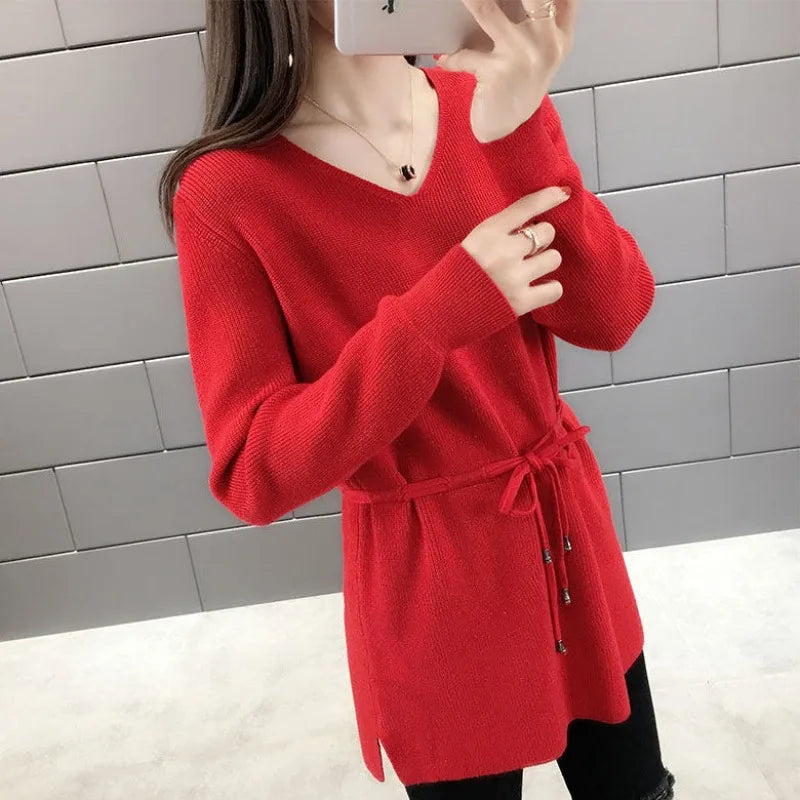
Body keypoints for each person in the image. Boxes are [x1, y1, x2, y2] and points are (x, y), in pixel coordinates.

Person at [159, 1, 676, 798]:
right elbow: (254, 470)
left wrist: (522, 128)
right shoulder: (228, 193)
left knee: (634, 789)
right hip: (432, 592)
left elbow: (615, 312)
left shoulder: (489, 102)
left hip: (565, 539)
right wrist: (433, 320)